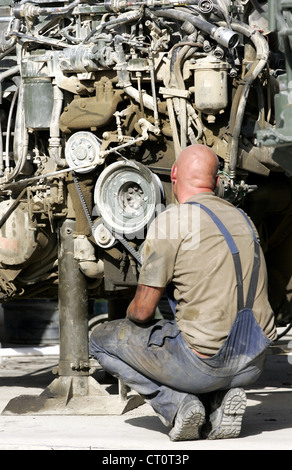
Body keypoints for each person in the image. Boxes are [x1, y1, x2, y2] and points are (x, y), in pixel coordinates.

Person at [89, 144, 277, 441]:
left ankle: (179, 406)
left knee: (100, 341)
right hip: (253, 363)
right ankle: (217, 402)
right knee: (195, 332)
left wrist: (129, 315)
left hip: (202, 365)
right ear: (216, 182)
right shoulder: (244, 219)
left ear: (174, 174)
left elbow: (142, 311)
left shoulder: (172, 221)